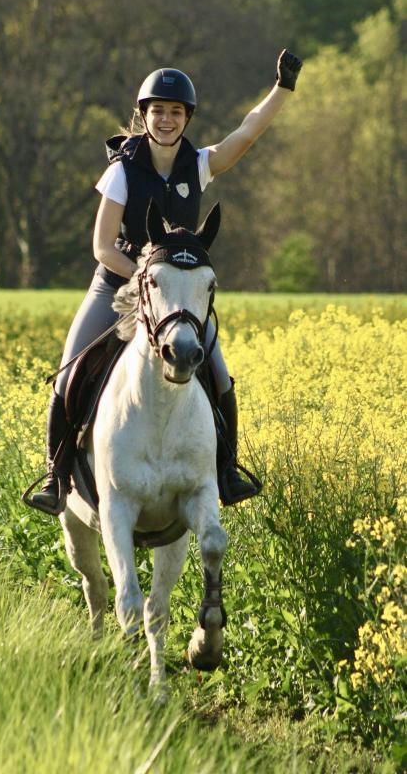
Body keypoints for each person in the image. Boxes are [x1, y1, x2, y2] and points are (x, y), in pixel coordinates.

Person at [29, 49, 303, 514]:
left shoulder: (196, 166)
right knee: (69, 372)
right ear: (144, 116)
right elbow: (102, 247)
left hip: (176, 296)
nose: (167, 119)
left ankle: (227, 473)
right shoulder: (121, 171)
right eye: (158, 111)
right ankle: (56, 477)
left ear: (187, 117)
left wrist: (283, 88)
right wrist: (143, 282)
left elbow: (247, 133)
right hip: (116, 286)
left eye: (176, 112)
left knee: (218, 375)